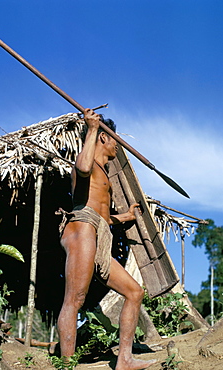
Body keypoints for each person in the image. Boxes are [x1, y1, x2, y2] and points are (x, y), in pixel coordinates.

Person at [57, 108, 156, 369]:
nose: (117, 146)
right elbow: (83, 167)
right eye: (114, 139)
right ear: (103, 138)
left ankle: (124, 359)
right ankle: (67, 365)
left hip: (100, 232)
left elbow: (104, 216)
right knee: (75, 299)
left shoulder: (105, 174)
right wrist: (91, 128)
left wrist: (124, 217)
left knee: (135, 292)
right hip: (83, 228)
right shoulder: (84, 163)